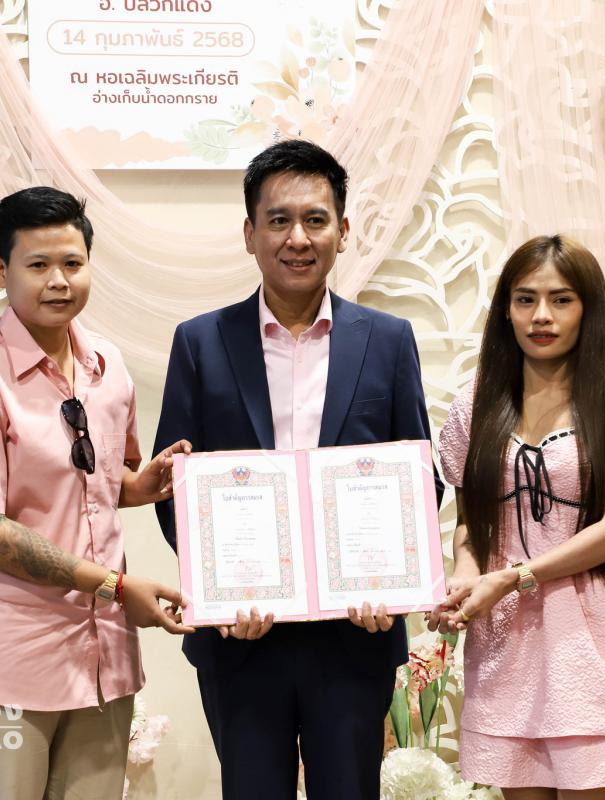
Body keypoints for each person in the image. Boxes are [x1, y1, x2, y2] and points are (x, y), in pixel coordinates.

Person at [153, 139, 439, 800]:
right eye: (278, 220)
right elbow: (174, 487)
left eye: (315, 220)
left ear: (344, 230)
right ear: (249, 233)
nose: (297, 239)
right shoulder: (200, 342)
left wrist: (391, 585)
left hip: (355, 634)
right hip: (241, 637)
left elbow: (418, 478)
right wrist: (219, 590)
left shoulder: (388, 339)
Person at [0, 186, 195, 799]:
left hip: (103, 658)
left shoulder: (108, 366)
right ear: (2, 270)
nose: (58, 281)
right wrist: (115, 586)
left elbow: (95, 484)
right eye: (38, 265)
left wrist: (143, 485)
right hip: (6, 661)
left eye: (72, 263)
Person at [430, 235, 605, 797]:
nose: (541, 316)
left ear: (586, 309)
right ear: (506, 309)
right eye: (525, 299)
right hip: (506, 638)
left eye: (561, 299)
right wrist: (465, 573)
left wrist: (513, 577)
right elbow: (472, 522)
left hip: (594, 632)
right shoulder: (476, 401)